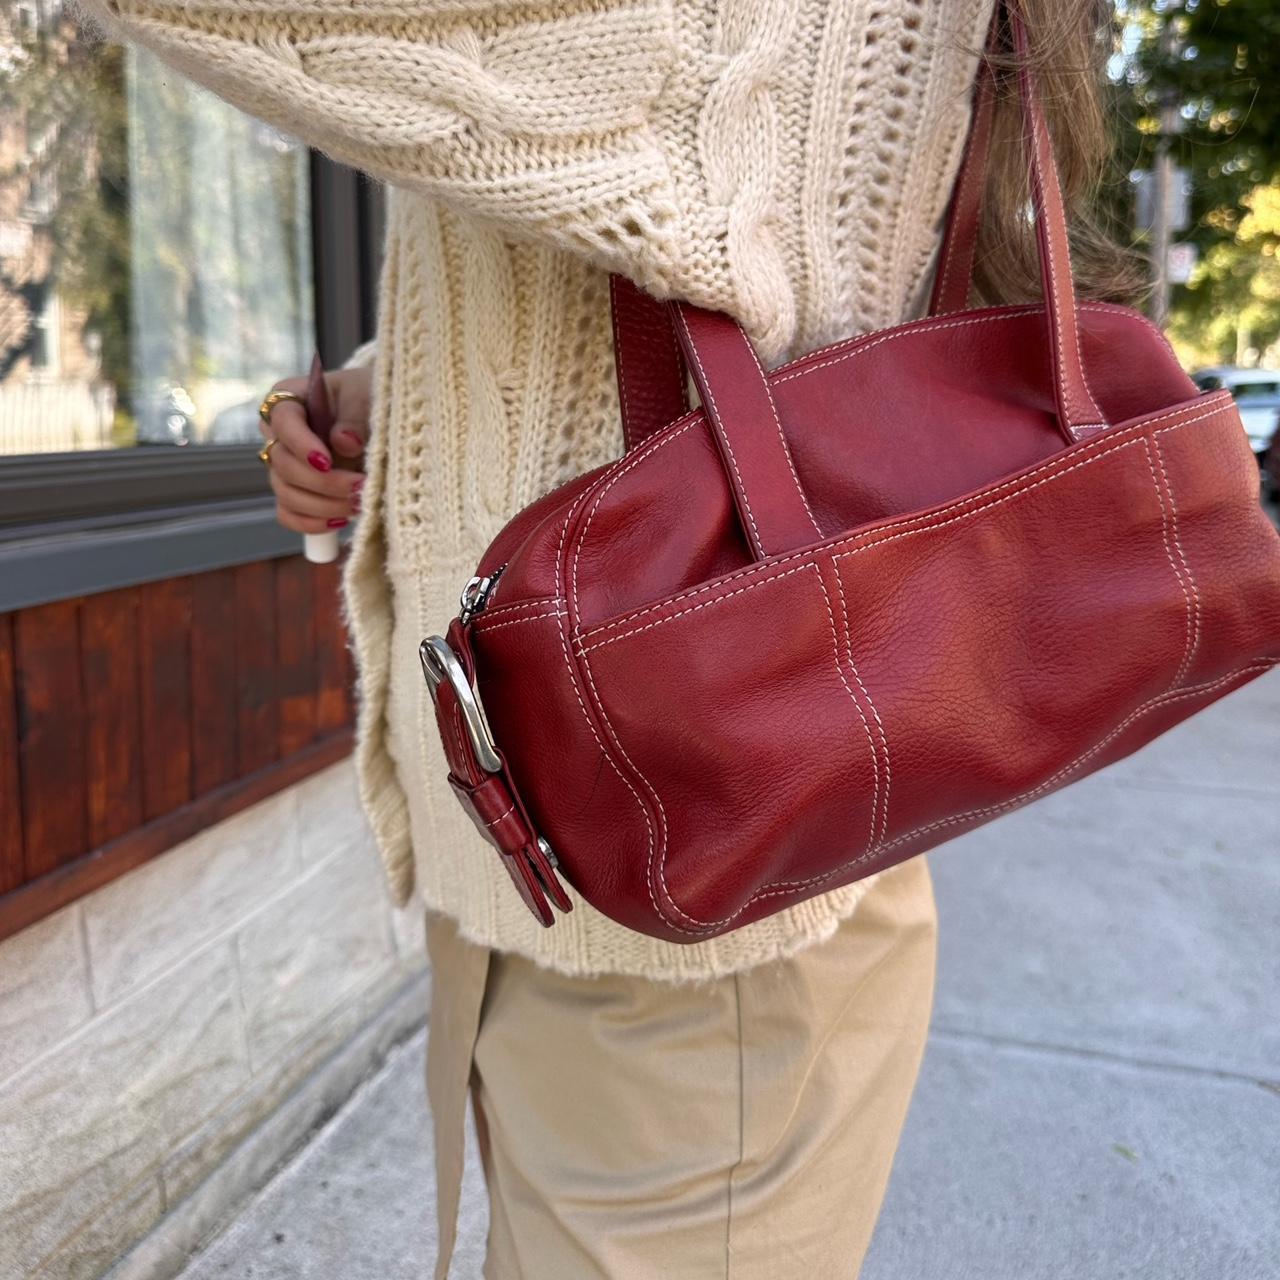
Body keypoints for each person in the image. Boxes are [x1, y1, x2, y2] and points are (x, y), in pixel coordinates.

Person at [77, 0, 1135, 1273]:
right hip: (591, 858)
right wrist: (397, 385)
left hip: (682, 942)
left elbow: (628, 127)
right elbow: (721, 252)